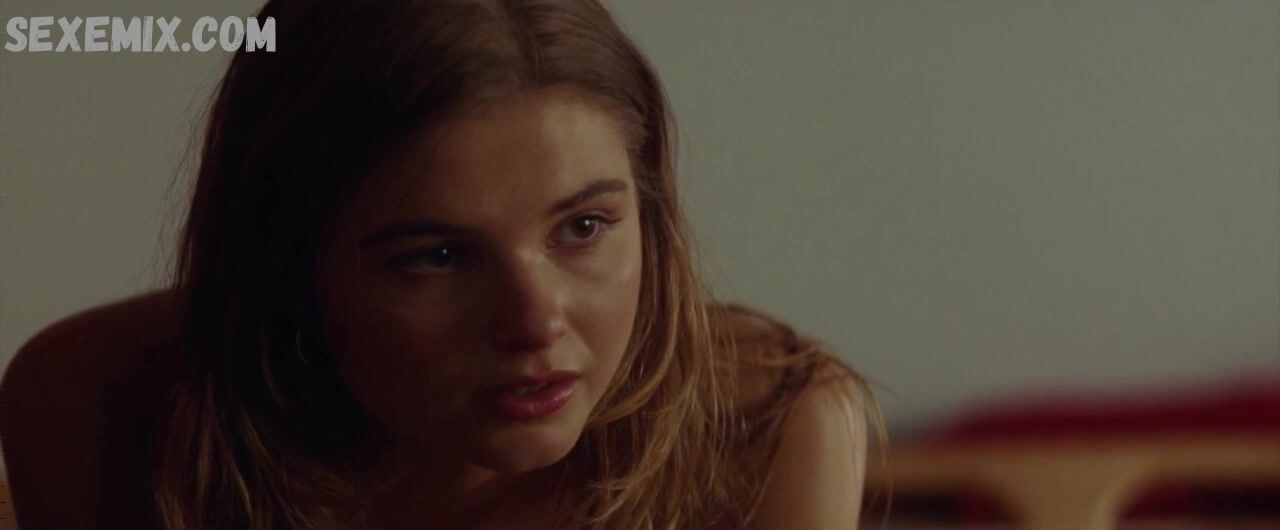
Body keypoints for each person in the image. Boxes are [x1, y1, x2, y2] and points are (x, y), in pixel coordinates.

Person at [0, 1, 884, 528]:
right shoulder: (102, 405)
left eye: (583, 227)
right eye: (438, 256)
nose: (535, 321)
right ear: (287, 268)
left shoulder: (768, 430)